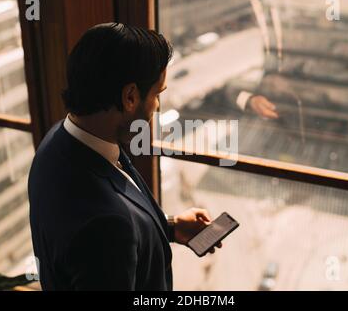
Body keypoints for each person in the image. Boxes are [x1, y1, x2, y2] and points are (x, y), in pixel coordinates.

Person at [28, 22, 222, 291]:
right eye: (157, 94)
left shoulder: (56, 141)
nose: (157, 105)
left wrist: (169, 227)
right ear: (130, 96)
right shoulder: (108, 225)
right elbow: (105, 231)